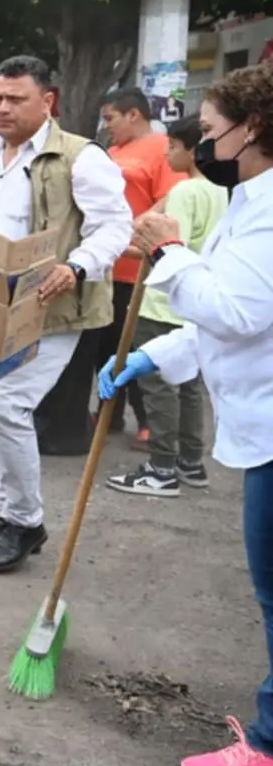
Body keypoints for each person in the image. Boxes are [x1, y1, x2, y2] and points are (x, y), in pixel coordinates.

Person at [97, 63, 273, 766]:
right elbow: (225, 319)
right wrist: (155, 356)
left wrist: (167, 247)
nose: (200, 147)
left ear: (251, 128)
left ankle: (266, 746)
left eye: (208, 132)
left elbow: (236, 311)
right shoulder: (248, 200)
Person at [0, 56, 130, 574]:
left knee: (3, 408)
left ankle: (25, 522)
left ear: (48, 101)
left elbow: (115, 226)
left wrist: (77, 267)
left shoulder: (80, 158)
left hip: (51, 307)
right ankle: (9, 513)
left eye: (15, 99)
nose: (2, 108)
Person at [104, 115, 226, 498]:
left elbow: (171, 243)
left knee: (157, 385)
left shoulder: (187, 192)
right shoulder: (221, 191)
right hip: (195, 302)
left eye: (172, 146)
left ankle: (161, 467)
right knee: (188, 383)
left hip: (161, 302)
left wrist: (126, 245)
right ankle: (191, 461)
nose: (167, 153)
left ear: (192, 150)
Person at [96, 85, 188, 448]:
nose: (107, 127)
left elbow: (172, 197)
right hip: (109, 266)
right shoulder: (112, 152)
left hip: (140, 268)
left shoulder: (161, 149)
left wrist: (143, 229)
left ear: (133, 115)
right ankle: (110, 412)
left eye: (110, 119)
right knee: (108, 342)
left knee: (140, 345)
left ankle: (148, 420)